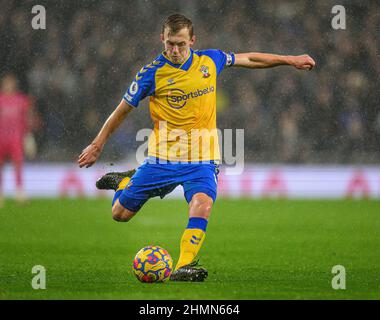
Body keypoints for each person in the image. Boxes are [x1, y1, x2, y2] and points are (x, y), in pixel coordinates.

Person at [78, 13, 315, 281]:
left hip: (203, 158)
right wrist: (98, 144)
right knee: (120, 214)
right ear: (162, 40)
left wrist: (289, 60)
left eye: (180, 44)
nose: (175, 50)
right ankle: (123, 183)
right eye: (170, 44)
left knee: (202, 204)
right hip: (163, 158)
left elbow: (249, 59)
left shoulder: (210, 60)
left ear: (192, 41)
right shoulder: (151, 74)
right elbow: (121, 111)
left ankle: (183, 266)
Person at [0, 73, 33, 207]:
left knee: (18, 166)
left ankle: (20, 193)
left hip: (16, 138)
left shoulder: (21, 100)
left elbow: (27, 118)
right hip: (1, 138)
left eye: (11, 83)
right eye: (6, 83)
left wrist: (29, 136)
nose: (9, 86)